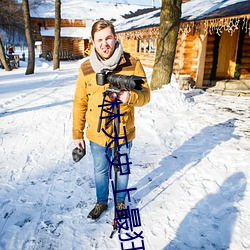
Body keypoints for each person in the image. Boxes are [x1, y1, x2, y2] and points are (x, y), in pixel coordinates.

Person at [72, 20, 150, 220]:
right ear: (93, 42)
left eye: (108, 38)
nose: (104, 43)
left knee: (122, 169)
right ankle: (101, 202)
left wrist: (130, 97)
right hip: (97, 134)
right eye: (99, 40)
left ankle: (121, 202)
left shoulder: (132, 63)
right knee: (100, 170)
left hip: (123, 131)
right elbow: (80, 102)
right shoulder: (86, 68)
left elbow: (146, 95)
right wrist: (77, 134)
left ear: (115, 38)